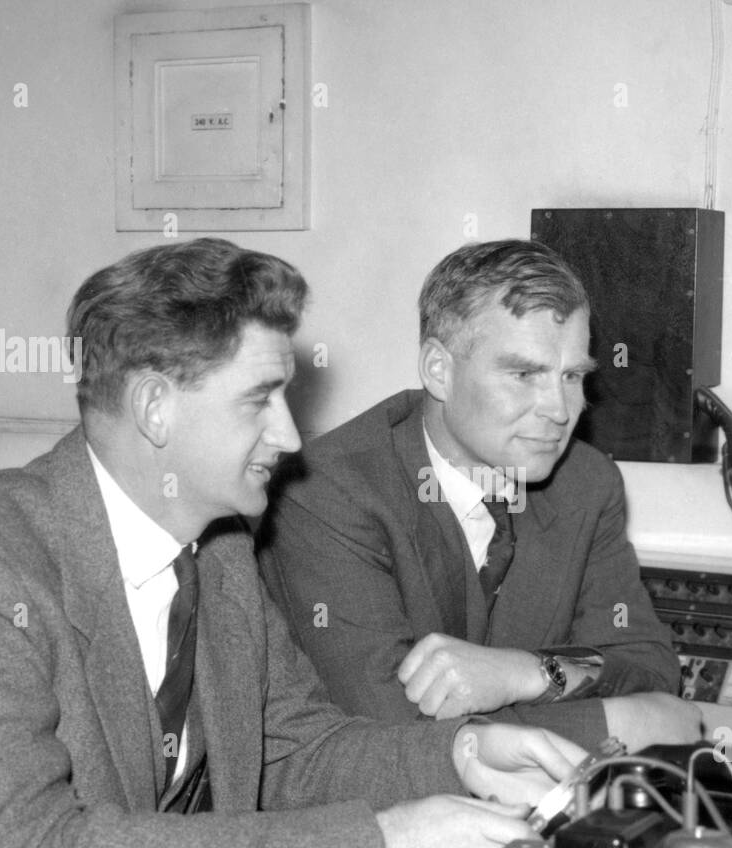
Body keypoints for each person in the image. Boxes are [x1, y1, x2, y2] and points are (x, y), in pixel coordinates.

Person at [0, 238, 586, 848]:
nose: (290, 435)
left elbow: (295, 754)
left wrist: (460, 754)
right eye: (261, 398)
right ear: (156, 407)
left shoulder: (220, 555)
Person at [259, 239, 700, 754]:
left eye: (573, 376)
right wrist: (626, 724)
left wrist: (530, 673)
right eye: (524, 374)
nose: (559, 410)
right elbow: (390, 740)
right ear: (438, 371)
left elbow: (648, 663)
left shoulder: (586, 482)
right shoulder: (326, 492)